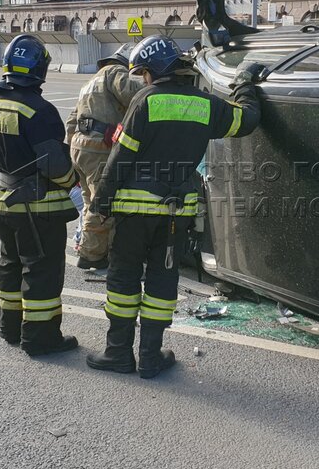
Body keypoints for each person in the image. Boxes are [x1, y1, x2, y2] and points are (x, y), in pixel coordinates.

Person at [88, 36, 264, 378]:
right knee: (162, 281)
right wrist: (244, 84)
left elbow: (120, 157)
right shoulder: (206, 104)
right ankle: (150, 358)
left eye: (144, 73)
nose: (143, 79)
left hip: (134, 212)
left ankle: (118, 353)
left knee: (124, 278)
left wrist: (102, 202)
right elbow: (247, 120)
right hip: (175, 214)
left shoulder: (145, 101)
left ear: (154, 70)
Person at [0, 34, 80, 356]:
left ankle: (10, 328)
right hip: (39, 208)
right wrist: (72, 181)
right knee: (41, 273)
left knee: (10, 265)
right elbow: (54, 164)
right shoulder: (39, 109)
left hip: (4, 200)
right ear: (40, 68)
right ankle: (40, 338)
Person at [64, 43, 144, 270]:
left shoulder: (90, 82)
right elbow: (132, 93)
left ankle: (90, 247)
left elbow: (71, 121)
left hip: (80, 146)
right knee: (102, 203)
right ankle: (91, 255)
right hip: (98, 146)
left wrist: (73, 152)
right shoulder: (114, 71)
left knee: (90, 201)